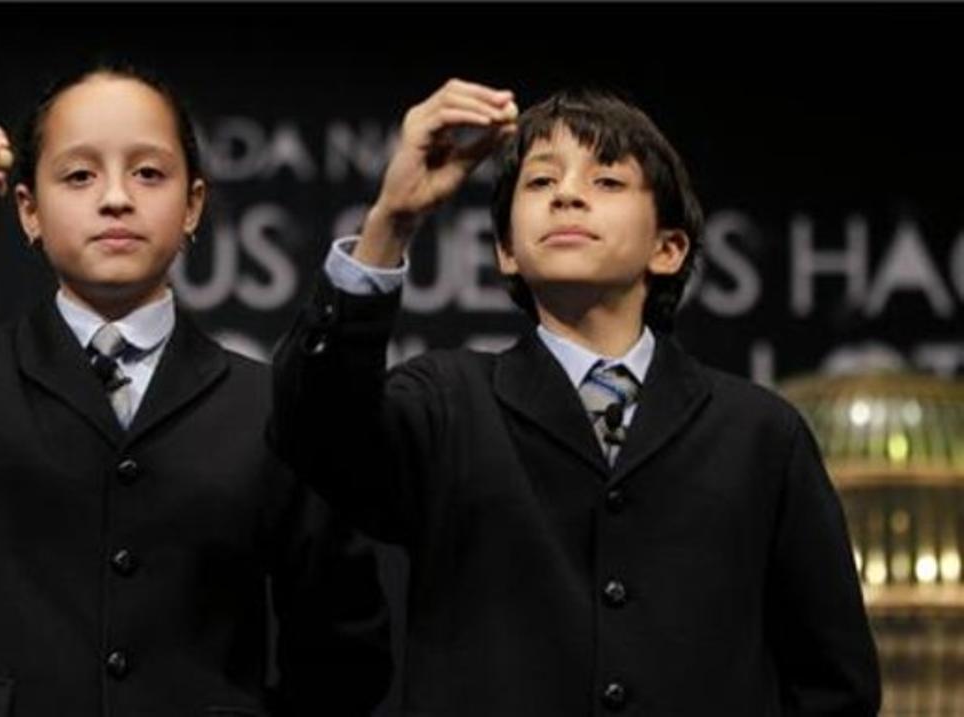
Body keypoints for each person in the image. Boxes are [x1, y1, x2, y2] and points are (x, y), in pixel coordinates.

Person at [0, 64, 391, 717]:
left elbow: (344, 651)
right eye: (79, 175)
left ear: (194, 207)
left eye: (149, 173)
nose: (116, 197)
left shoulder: (273, 407)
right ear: (28, 210)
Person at [270, 79, 880, 715]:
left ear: (668, 250)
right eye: (540, 183)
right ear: (507, 250)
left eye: (607, 181)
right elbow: (313, 431)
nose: (566, 194)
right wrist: (390, 221)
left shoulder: (761, 434)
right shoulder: (445, 403)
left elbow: (833, 683)